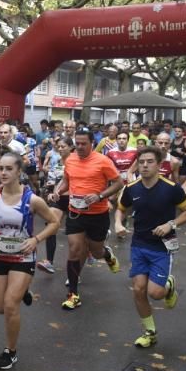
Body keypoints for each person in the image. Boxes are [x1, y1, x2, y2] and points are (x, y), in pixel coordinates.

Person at [0, 152, 58, 369]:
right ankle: (23, 292)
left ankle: (10, 352)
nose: (3, 172)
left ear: (19, 171)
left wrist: (36, 239)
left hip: (23, 256)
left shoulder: (32, 199)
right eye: (1, 168)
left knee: (11, 305)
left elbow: (53, 223)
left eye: (9, 168)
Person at [114, 146, 186, 348]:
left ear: (159, 165)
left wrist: (171, 224)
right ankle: (150, 332)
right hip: (139, 244)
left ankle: (169, 286)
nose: (145, 165)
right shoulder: (132, 188)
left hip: (162, 247)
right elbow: (120, 209)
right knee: (138, 290)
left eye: (150, 161)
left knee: (155, 293)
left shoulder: (171, 188)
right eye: (141, 162)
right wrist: (117, 223)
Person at [48, 128, 123, 310]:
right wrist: (58, 191)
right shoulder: (71, 159)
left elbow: (119, 183)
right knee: (75, 249)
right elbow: (67, 180)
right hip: (76, 213)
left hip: (98, 214)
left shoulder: (103, 161)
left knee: (95, 251)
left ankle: (106, 254)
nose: (80, 147)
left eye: (84, 144)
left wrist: (100, 195)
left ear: (92, 143)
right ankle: (73, 295)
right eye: (78, 143)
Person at [38, 137, 73, 273]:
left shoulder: (76, 162)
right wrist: (51, 192)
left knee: (76, 233)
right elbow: (54, 180)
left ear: (71, 147)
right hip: (59, 199)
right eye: (58, 146)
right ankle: (49, 262)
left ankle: (87, 253)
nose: (60, 149)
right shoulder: (57, 163)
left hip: (74, 199)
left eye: (63, 146)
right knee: (51, 225)